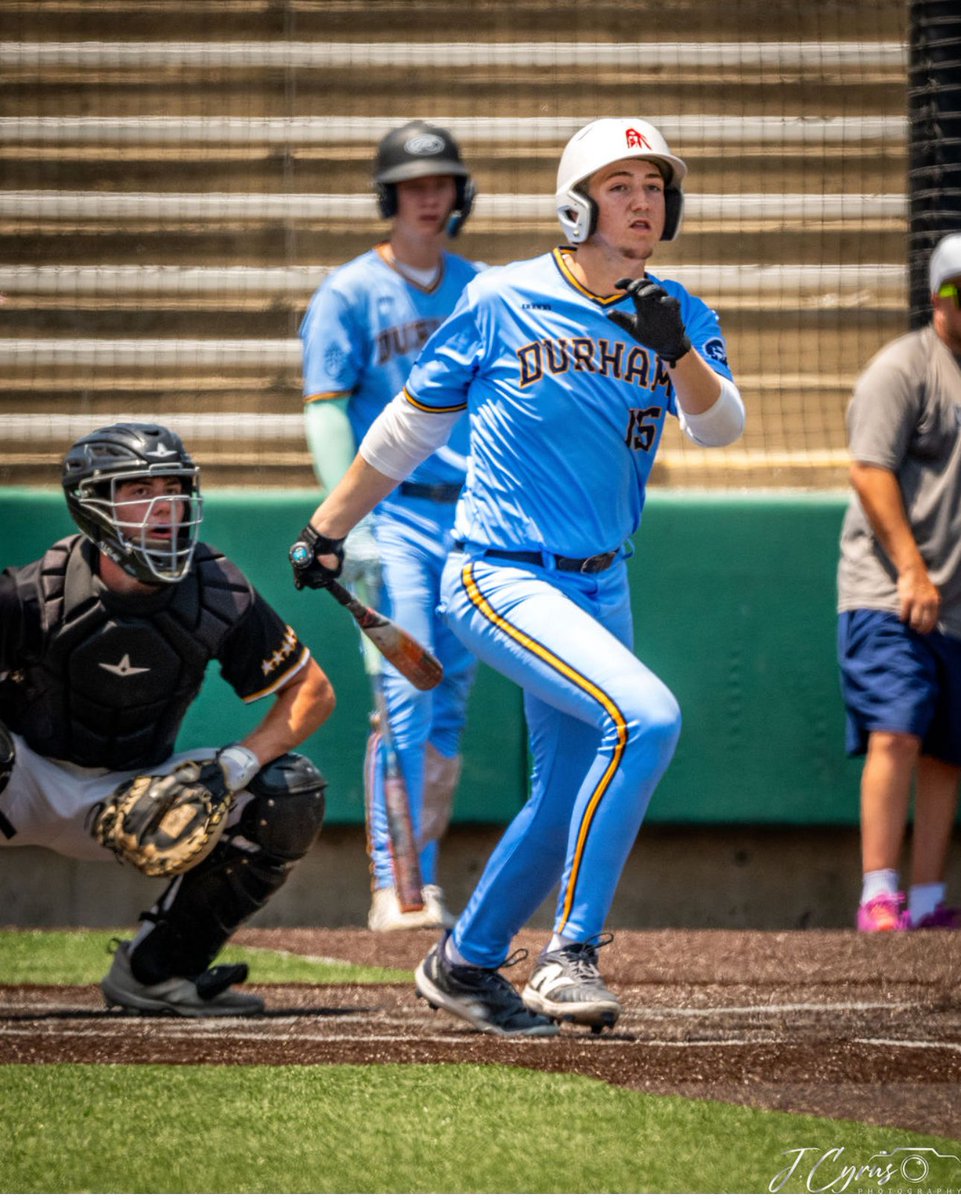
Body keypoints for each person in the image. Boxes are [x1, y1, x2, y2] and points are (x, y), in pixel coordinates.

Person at [289, 117, 745, 1036]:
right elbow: (408, 425)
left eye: (655, 186)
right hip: (497, 573)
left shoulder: (678, 311)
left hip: (600, 583)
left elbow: (720, 426)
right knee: (647, 716)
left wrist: (679, 353)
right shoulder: (503, 297)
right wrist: (327, 528)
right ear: (577, 203)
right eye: (621, 185)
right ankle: (569, 955)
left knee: (566, 782)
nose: (643, 201)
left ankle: (464, 962)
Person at [0, 422, 334, 1015]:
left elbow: (313, 693)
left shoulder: (218, 589)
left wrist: (234, 766)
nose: (164, 505)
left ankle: (156, 973)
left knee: (289, 792)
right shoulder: (30, 594)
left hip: (141, 792)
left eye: (173, 487)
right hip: (22, 781)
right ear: (93, 505)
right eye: (138, 490)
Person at [299, 120, 483, 933]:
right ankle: (394, 887)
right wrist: (350, 518)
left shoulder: (481, 287)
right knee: (403, 694)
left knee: (446, 703)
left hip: (475, 520)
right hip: (394, 518)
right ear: (389, 196)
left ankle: (424, 879)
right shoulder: (348, 293)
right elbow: (326, 411)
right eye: (413, 185)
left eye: (440, 183)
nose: (428, 196)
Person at [838, 231, 961, 933]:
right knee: (897, 731)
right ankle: (877, 892)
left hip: (953, 602)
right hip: (888, 592)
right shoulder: (903, 368)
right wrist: (910, 568)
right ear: (937, 297)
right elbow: (868, 469)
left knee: (947, 747)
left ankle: (924, 897)